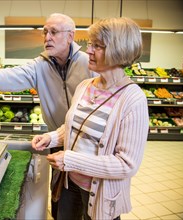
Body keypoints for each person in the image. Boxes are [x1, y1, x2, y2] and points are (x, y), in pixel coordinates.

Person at [0, 13, 96, 219]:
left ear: (70, 36)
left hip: (89, 148)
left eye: (54, 32)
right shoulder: (41, 65)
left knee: (91, 207)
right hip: (59, 144)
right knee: (63, 205)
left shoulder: (88, 64)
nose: (47, 37)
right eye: (45, 32)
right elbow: (11, 75)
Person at [31, 17, 149, 220]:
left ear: (119, 51)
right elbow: (76, 127)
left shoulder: (132, 99)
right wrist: (51, 137)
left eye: (98, 46)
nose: (89, 51)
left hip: (100, 192)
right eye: (90, 44)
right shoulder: (86, 85)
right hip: (70, 184)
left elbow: (127, 164)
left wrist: (71, 160)